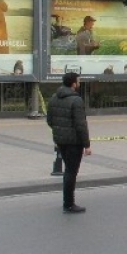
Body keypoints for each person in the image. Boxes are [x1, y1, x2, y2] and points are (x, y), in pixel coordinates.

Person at [46, 71, 91, 213]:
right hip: (74, 142)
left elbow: (50, 120)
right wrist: (87, 145)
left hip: (60, 141)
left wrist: (60, 132)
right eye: (78, 81)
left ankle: (68, 201)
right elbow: (81, 125)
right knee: (71, 172)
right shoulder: (76, 100)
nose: (80, 83)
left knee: (68, 171)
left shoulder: (54, 98)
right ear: (73, 84)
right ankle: (69, 203)